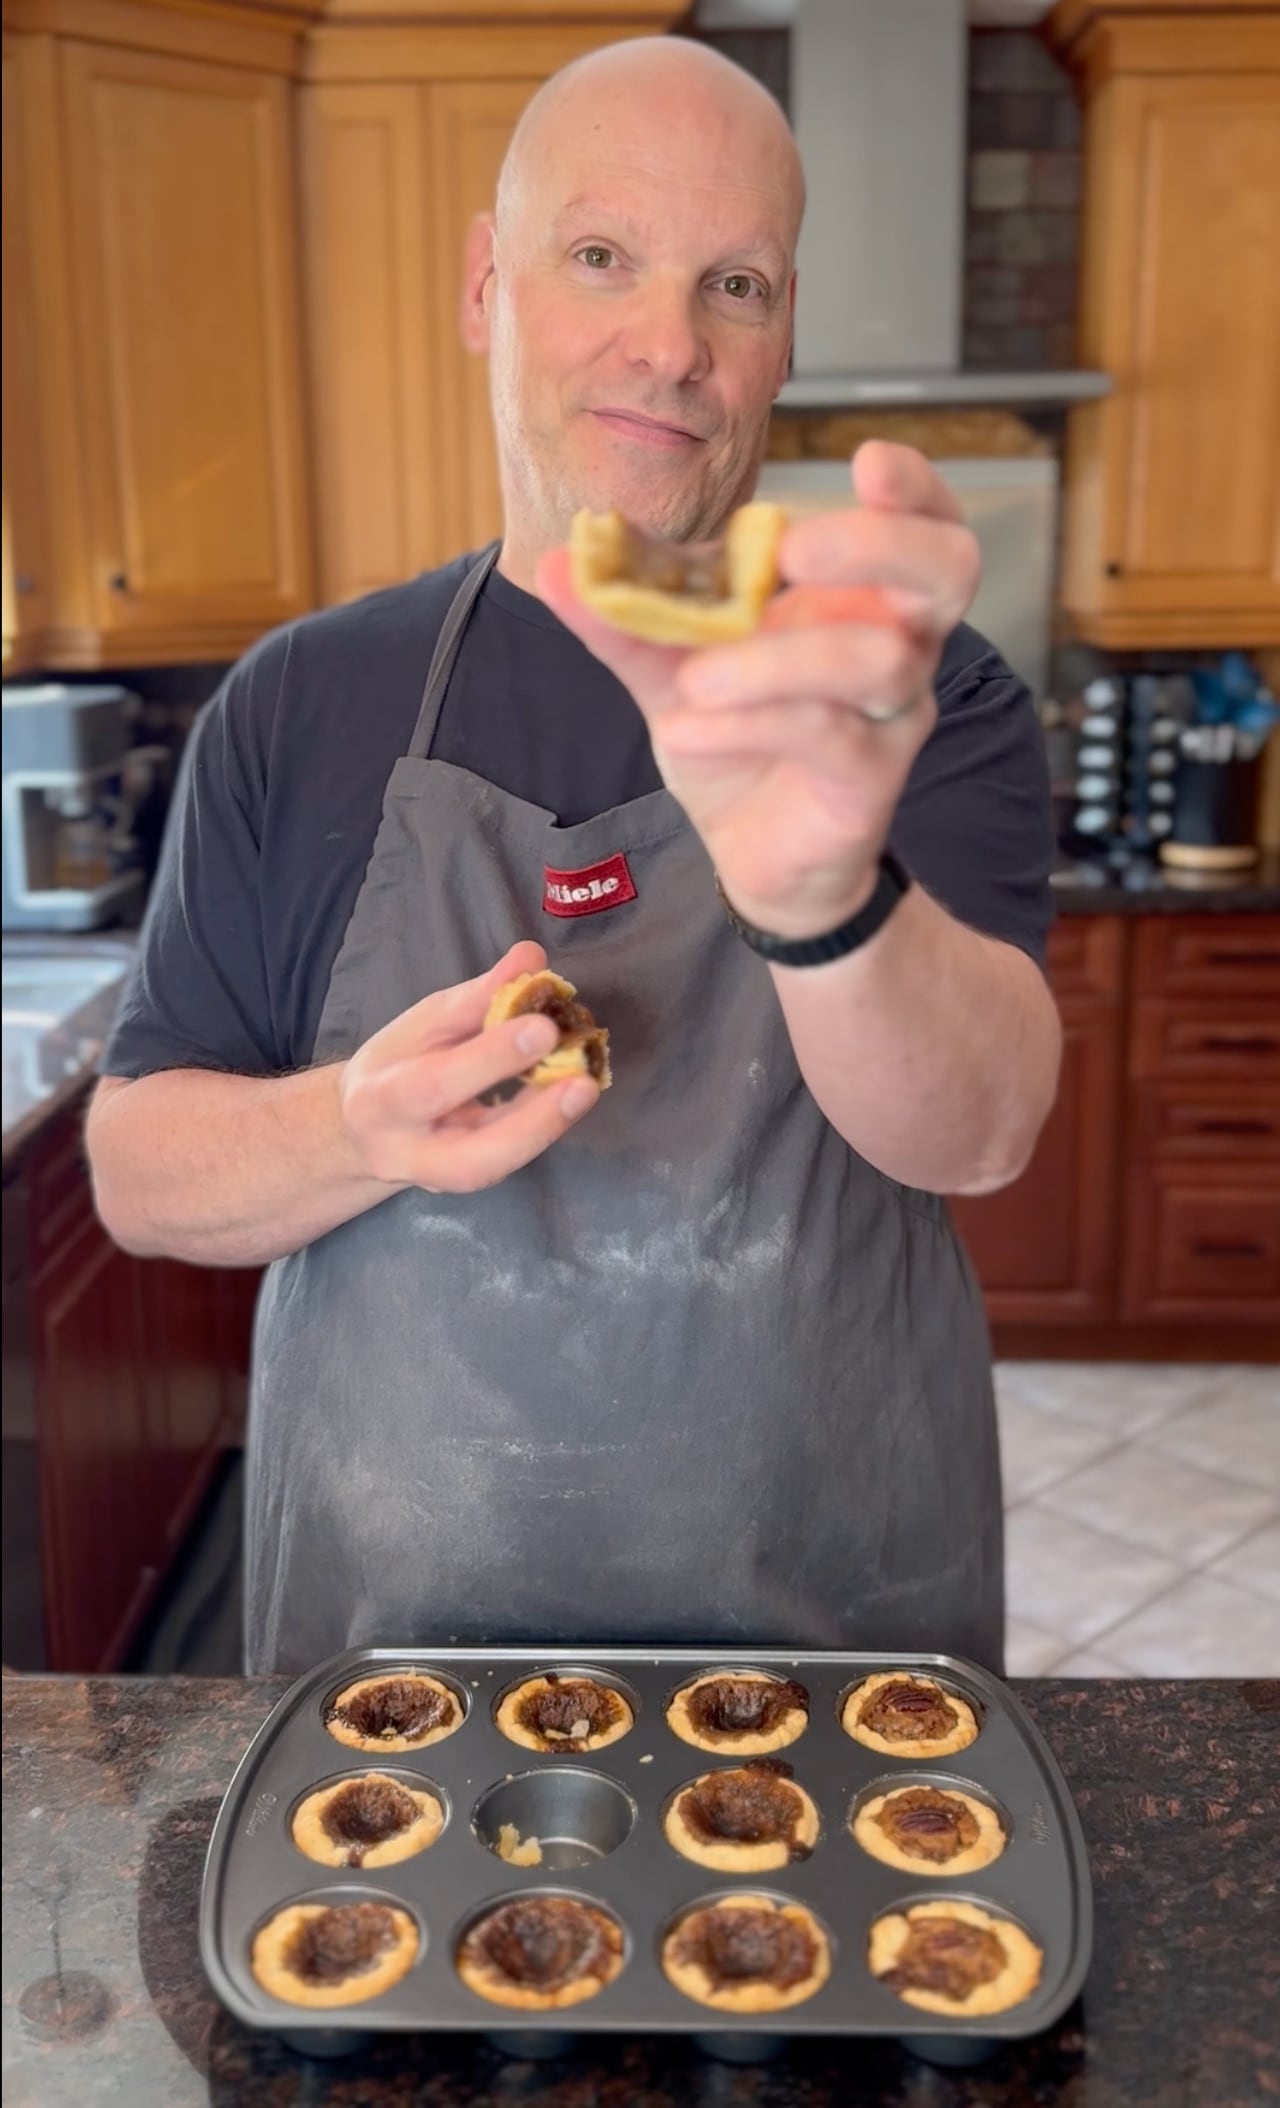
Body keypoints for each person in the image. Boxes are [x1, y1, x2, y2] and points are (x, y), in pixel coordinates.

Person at [87, 37, 1060, 1676]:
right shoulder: (303, 702)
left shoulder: (904, 688)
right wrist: (355, 1126)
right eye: (600, 257)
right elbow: (137, 1174)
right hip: (398, 1671)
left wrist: (825, 899)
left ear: (782, 336)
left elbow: (981, 1131)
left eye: (733, 284)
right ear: (488, 282)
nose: (670, 345)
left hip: (834, 1645)